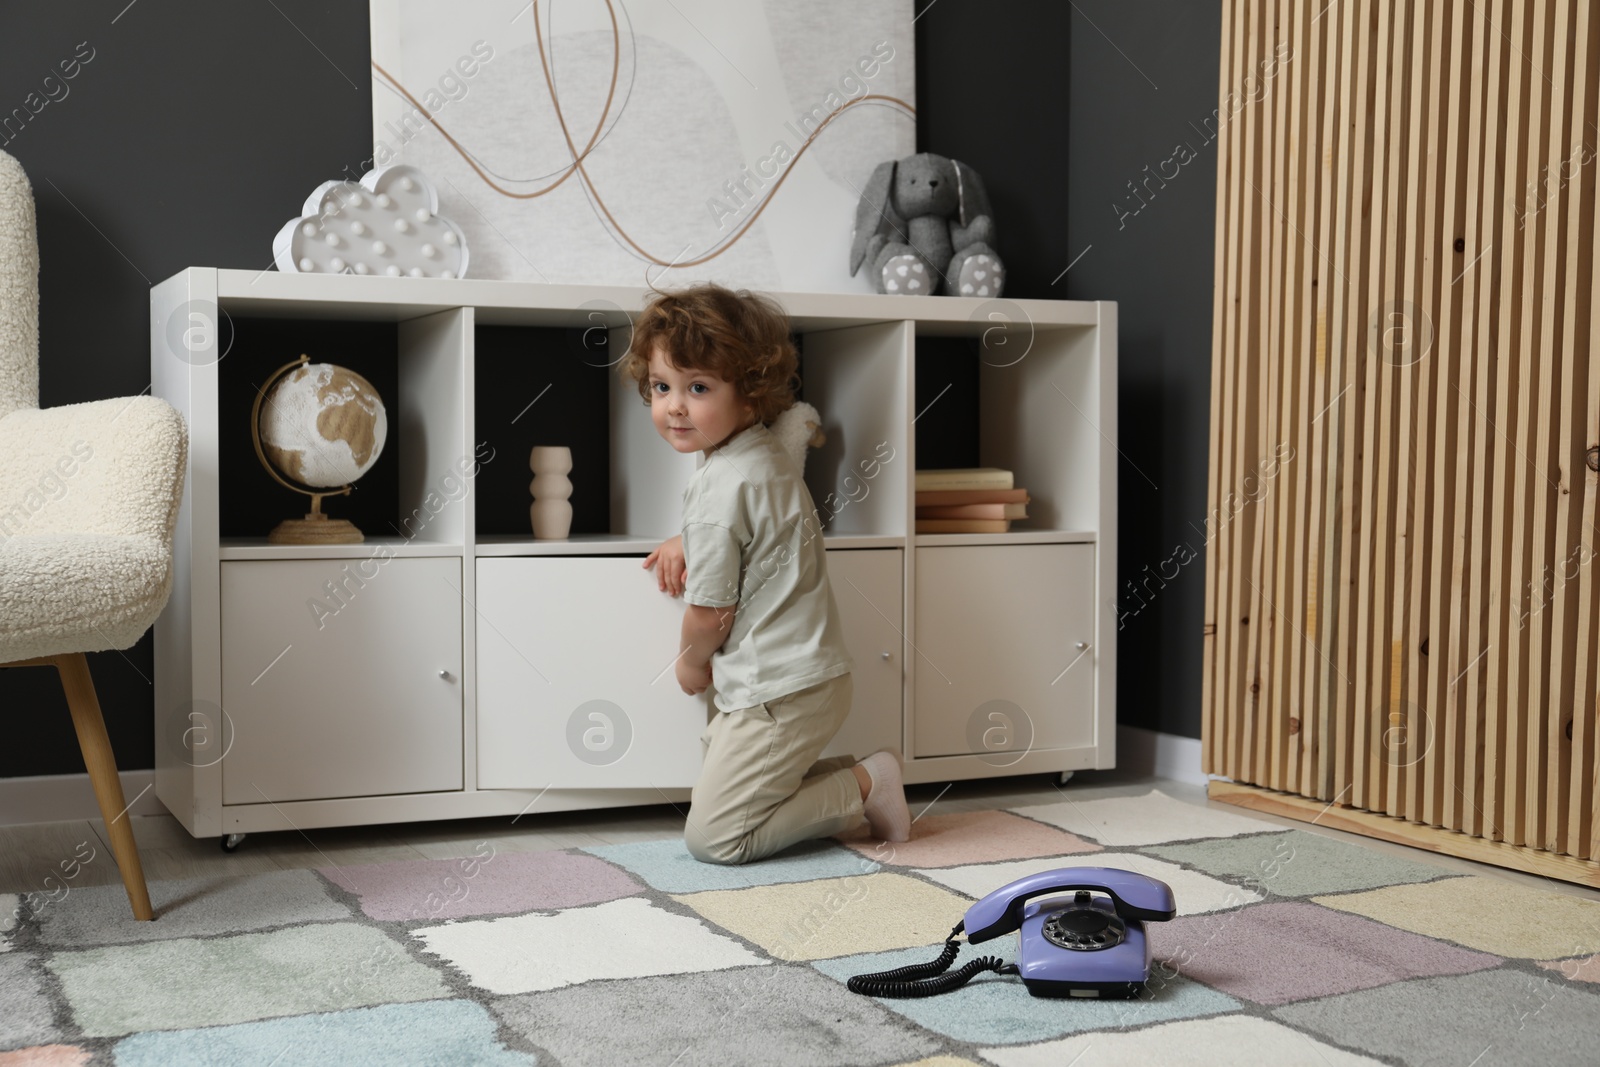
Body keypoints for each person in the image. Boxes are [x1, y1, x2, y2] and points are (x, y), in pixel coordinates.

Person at [621, 282, 911, 864]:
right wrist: (691, 537)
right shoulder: (765, 454)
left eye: (698, 387)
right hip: (805, 678)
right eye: (661, 387)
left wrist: (691, 661)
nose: (675, 406)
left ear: (750, 397)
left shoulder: (717, 489)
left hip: (778, 691)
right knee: (739, 794)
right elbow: (754, 525)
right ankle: (858, 776)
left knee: (717, 839)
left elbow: (710, 614)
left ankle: (864, 785)